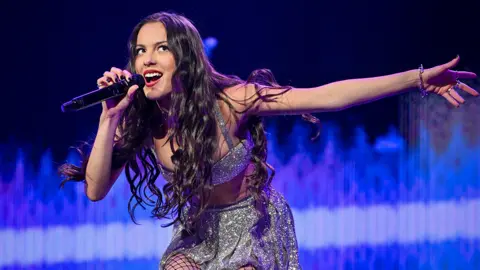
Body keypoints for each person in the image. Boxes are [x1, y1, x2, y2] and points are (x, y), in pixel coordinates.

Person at [59, 11, 478, 270]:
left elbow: (326, 97)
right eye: (139, 51)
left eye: (160, 48)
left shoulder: (231, 102)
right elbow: (95, 190)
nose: (146, 58)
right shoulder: (143, 118)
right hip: (199, 233)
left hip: (253, 226)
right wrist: (108, 119)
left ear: (183, 57)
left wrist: (418, 78)